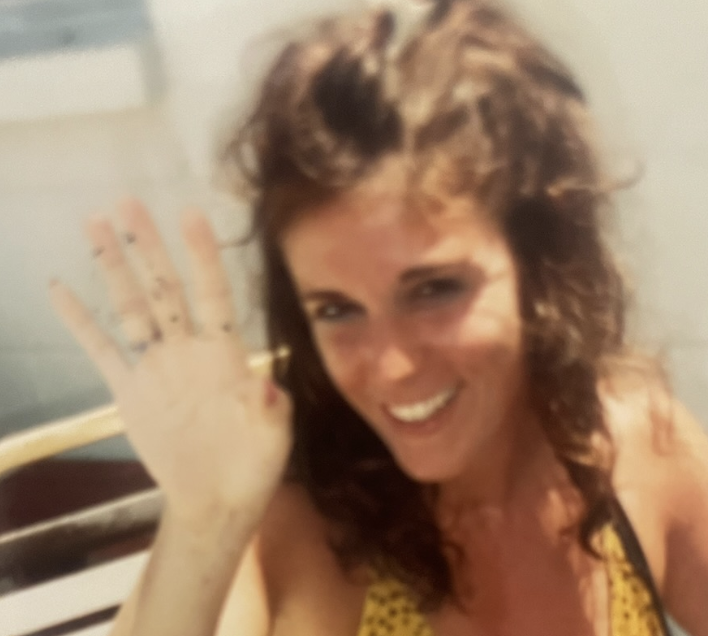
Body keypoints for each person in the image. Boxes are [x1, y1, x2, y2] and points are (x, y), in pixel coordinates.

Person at [49, 0, 708, 635]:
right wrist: (202, 525)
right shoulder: (294, 531)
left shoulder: (636, 449)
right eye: (337, 310)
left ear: (538, 261)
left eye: (434, 290)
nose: (390, 366)